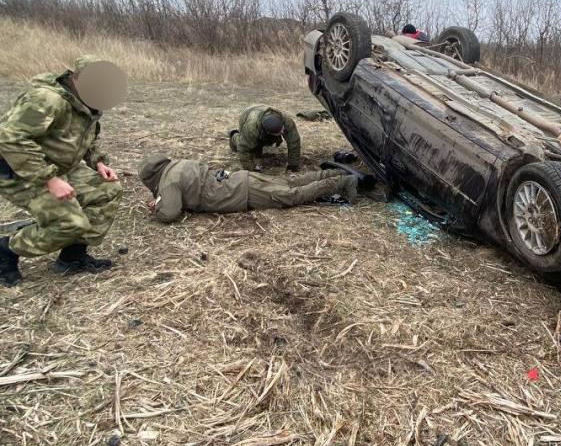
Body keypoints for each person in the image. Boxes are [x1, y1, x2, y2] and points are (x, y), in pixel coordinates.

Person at [0, 56, 124, 287]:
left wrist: (98, 161)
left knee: (108, 190)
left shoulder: (88, 103)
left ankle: (72, 257)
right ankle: (6, 249)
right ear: (75, 78)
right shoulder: (47, 100)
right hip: (20, 171)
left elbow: (84, 139)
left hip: (59, 168)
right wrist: (50, 180)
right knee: (70, 223)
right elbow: (9, 138)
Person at [138, 155, 358, 223]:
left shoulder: (168, 182)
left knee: (292, 196)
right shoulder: (179, 164)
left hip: (243, 193)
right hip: (241, 178)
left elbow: (169, 213)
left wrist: (157, 207)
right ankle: (335, 174)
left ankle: (343, 183)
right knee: (290, 182)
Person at [229, 105, 301, 172]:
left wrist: (293, 164)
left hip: (261, 112)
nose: (283, 131)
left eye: (282, 129)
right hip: (247, 115)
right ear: (268, 132)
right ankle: (233, 135)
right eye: (279, 132)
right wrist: (252, 169)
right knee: (248, 144)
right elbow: (243, 149)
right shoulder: (251, 129)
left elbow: (294, 141)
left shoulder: (285, 120)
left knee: (267, 141)